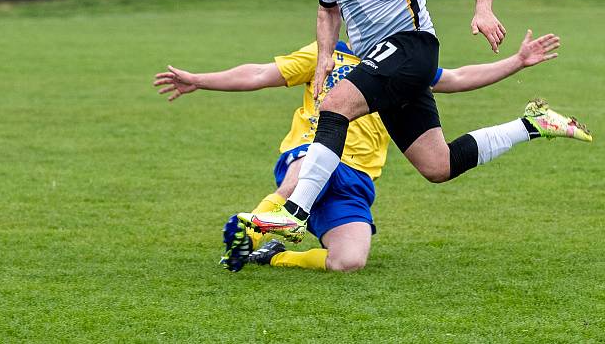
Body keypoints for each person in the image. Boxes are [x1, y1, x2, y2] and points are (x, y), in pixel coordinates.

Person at [233, 0, 585, 243]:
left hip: (413, 46)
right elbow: (327, 11)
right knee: (438, 165)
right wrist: (324, 55)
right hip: (380, 62)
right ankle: (534, 124)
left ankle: (295, 212)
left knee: (335, 105)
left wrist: (483, 9)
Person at [154, 31, 583, 273]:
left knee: (349, 262)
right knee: (302, 170)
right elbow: (259, 73)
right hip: (310, 151)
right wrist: (201, 79)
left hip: (356, 177)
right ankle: (252, 229)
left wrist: (517, 61)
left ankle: (273, 251)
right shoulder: (327, 54)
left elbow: (457, 76)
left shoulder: (402, 68)